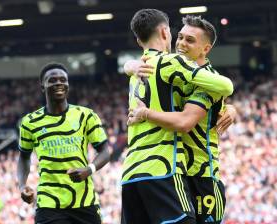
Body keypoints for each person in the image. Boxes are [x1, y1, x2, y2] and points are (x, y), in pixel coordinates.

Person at [121, 9, 234, 224]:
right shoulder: (171, 72)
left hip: (200, 176)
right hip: (174, 170)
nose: (181, 43)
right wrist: (131, 66)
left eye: (190, 40)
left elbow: (185, 122)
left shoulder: (208, 82)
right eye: (180, 36)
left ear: (206, 48)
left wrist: (145, 113)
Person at [17, 63, 111, 224]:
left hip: (84, 201)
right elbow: (24, 157)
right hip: (49, 203)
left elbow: (105, 151)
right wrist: (21, 186)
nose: (59, 83)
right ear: (43, 86)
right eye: (52, 80)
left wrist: (89, 169)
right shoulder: (30, 122)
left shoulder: (86, 115)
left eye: (63, 80)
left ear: (68, 84)